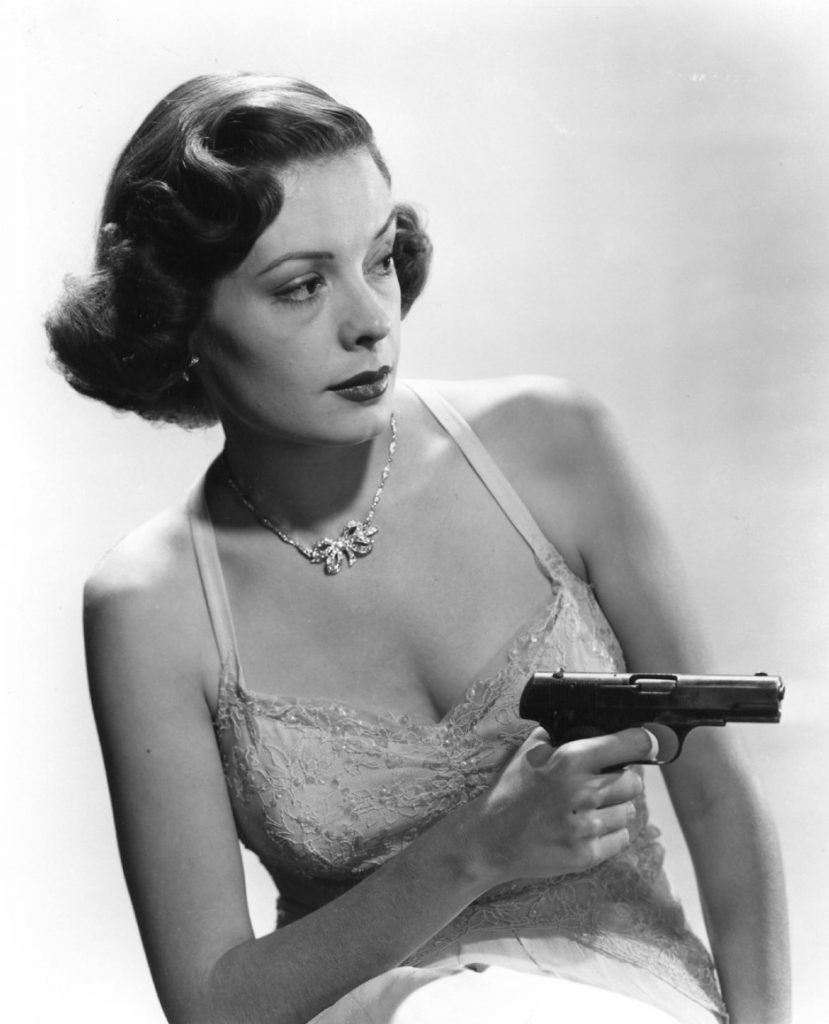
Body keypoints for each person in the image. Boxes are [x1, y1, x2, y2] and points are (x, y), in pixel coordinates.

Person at [47, 72, 790, 1024]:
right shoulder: (149, 605)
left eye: (380, 259)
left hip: (630, 995)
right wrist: (475, 851)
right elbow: (212, 1005)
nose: (370, 319)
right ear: (179, 316)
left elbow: (719, 803)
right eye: (302, 286)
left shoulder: (551, 444)